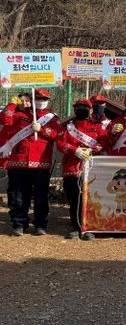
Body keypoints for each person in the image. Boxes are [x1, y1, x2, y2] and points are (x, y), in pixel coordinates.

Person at [0, 88, 60, 236]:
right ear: (32, 100)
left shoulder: (52, 118)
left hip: (41, 163)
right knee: (20, 196)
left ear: (48, 101)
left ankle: (40, 224)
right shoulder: (20, 115)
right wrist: (13, 104)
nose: (41, 101)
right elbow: (4, 119)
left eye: (44, 99)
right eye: (38, 98)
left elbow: (58, 135)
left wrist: (42, 130)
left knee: (41, 197)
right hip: (20, 162)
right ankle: (20, 224)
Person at [56, 98, 109, 240]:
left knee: (92, 198)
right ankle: (77, 226)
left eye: (85, 107)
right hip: (72, 168)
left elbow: (104, 143)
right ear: (74, 109)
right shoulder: (68, 128)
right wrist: (75, 150)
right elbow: (60, 143)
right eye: (78, 107)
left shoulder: (98, 127)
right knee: (75, 199)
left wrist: (91, 150)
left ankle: (90, 226)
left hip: (92, 168)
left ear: (91, 110)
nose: (82, 109)